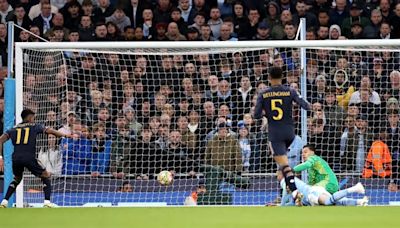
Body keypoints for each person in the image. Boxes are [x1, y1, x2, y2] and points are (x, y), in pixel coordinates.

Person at [254, 66, 311, 198]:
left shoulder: (263, 93)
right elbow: (306, 106)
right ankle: (290, 193)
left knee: (284, 165)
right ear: (282, 77)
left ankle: (295, 192)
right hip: (290, 132)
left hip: (275, 134)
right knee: (284, 166)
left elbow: (256, 115)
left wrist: (267, 113)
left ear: (269, 78)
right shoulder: (290, 91)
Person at [0, 109, 73, 208]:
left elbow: (0, 140)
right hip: (29, 157)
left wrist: (0, 157)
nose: (34, 119)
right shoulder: (34, 127)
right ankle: (47, 202)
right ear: (30, 117)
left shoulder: (13, 129)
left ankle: (4, 201)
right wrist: (64, 135)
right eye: (33, 117)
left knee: (17, 179)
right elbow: (50, 130)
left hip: (16, 158)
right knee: (46, 175)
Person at [278, 172, 368, 206]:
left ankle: (355, 188)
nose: (276, 175)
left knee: (328, 201)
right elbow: (291, 203)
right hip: (314, 192)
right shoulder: (293, 181)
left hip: (312, 193)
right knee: (338, 202)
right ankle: (360, 201)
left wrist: (281, 205)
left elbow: (286, 193)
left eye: (277, 173)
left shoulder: (285, 180)